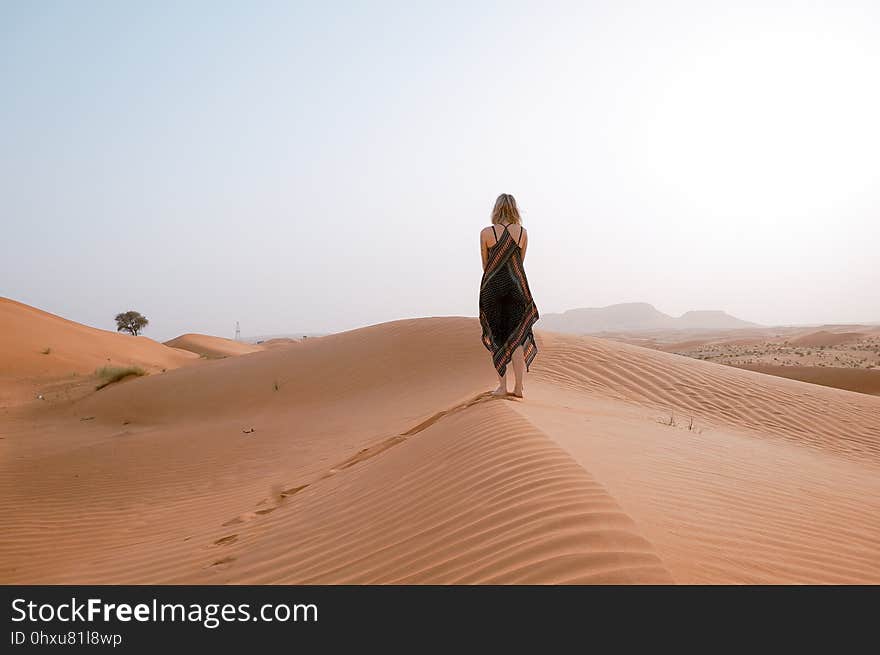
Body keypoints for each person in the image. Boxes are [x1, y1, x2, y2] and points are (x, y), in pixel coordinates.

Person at [478, 193, 539, 398]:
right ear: (514, 209)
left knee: (498, 337)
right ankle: (519, 388)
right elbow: (520, 262)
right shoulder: (522, 233)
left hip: (492, 289)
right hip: (517, 288)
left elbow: (486, 265)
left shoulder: (486, 233)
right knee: (517, 338)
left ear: (496, 209)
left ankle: (502, 386)